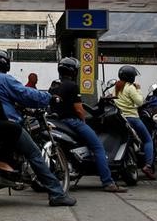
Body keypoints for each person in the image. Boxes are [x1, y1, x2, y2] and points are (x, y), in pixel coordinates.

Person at [0, 49, 76, 207]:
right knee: (34, 154)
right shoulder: (3, 79)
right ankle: (56, 193)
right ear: (5, 63)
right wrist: (49, 98)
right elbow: (25, 94)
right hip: (7, 122)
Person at [51, 57, 127, 192]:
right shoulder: (73, 86)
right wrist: (83, 120)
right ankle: (108, 182)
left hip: (58, 121)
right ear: (73, 71)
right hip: (73, 121)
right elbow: (79, 109)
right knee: (98, 148)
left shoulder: (54, 86)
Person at [113, 66, 155, 179]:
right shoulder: (130, 87)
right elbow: (140, 102)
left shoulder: (117, 87)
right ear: (130, 77)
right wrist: (138, 89)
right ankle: (148, 165)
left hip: (120, 119)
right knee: (148, 140)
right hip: (132, 118)